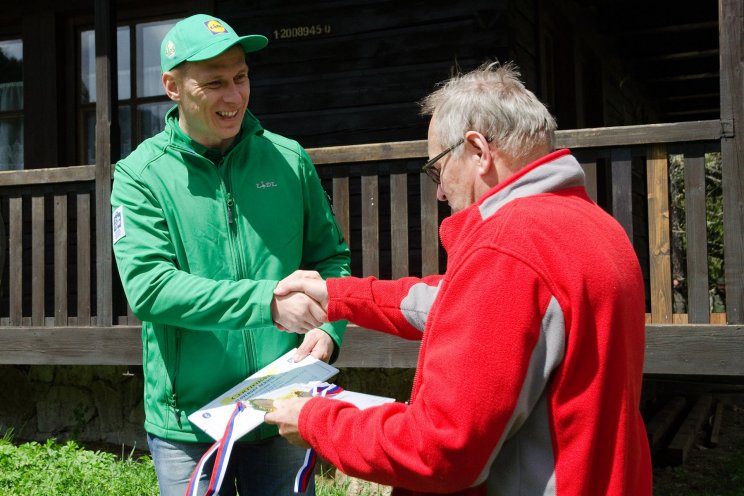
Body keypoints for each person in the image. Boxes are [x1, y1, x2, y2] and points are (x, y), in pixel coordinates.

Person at [265, 62, 652, 495]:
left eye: (437, 168)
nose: (440, 191)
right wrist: (335, 295)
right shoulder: (593, 225)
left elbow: (439, 451)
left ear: (478, 150)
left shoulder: (508, 249)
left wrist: (316, 420)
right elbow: (456, 302)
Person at [110, 14, 350, 496]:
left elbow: (331, 260)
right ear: (172, 87)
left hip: (282, 403)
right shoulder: (140, 176)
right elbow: (151, 289)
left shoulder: (288, 158)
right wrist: (269, 303)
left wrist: (328, 329)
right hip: (189, 424)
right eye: (215, 82)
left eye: (240, 77)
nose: (234, 96)